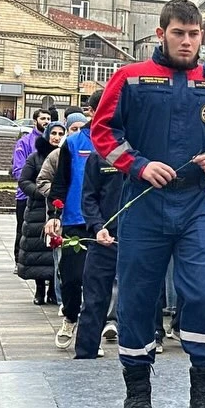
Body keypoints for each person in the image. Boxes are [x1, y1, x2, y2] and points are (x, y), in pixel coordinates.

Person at [92, 0, 205, 408]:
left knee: (204, 294)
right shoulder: (130, 78)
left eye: (194, 33)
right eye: (178, 33)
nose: (187, 41)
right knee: (139, 297)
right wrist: (140, 165)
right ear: (160, 34)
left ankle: (203, 397)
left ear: (202, 35)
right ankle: (137, 393)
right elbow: (103, 131)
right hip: (144, 202)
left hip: (196, 203)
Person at [45, 110, 93, 350]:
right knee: (72, 276)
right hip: (76, 220)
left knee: (104, 280)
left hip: (110, 220)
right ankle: (71, 317)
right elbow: (60, 181)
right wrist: (55, 215)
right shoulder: (74, 143)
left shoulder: (120, 141)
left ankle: (93, 329)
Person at [74, 147, 124, 359]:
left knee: (141, 301)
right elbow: (89, 197)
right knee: (94, 300)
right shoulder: (101, 156)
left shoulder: (149, 152)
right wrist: (97, 226)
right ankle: (85, 358)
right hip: (105, 238)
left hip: (141, 239)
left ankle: (138, 361)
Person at [17, 121, 65, 303]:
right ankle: (39, 289)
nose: (57, 137)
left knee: (54, 249)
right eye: (54, 133)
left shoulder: (64, 156)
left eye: (61, 134)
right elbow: (24, 180)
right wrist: (41, 191)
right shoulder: (35, 157)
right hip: (38, 209)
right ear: (47, 135)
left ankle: (53, 289)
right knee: (38, 251)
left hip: (57, 210)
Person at [12, 109, 51, 269]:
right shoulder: (25, 142)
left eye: (49, 118)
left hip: (48, 197)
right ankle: (18, 260)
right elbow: (19, 170)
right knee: (24, 230)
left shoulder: (54, 142)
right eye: (43, 118)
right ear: (35, 120)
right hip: (26, 196)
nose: (46, 121)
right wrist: (35, 187)